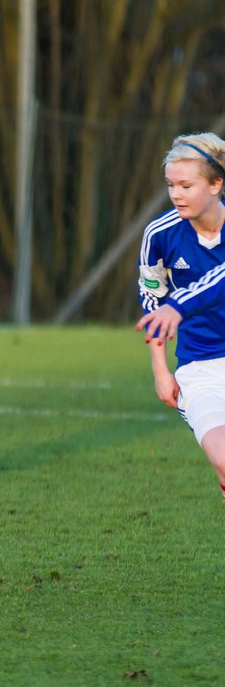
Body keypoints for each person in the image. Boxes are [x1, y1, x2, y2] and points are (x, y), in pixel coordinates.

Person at [135, 132, 225, 500]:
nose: (176, 194)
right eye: (171, 185)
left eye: (186, 185)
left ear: (217, 184)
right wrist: (160, 370)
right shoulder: (159, 234)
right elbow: (152, 304)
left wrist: (180, 305)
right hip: (199, 369)